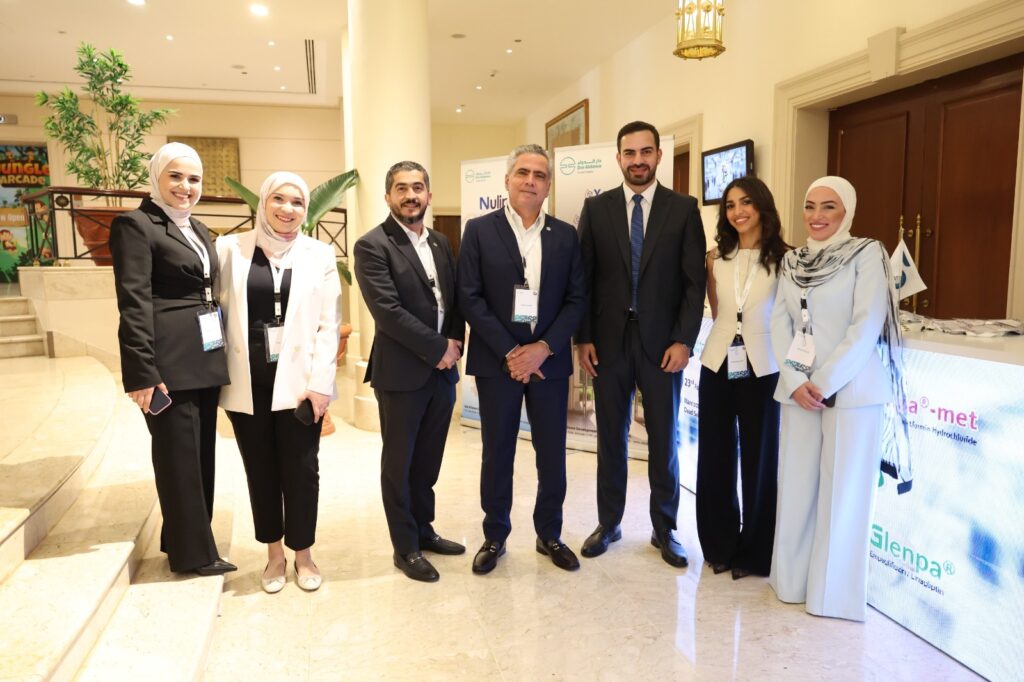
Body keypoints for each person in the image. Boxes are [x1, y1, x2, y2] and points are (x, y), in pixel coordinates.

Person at [769, 175, 911, 621]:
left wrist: (824, 381)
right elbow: (779, 322)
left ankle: (831, 597)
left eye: (828, 206)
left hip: (850, 390)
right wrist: (796, 380)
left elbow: (866, 324)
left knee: (842, 494)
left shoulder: (867, 254)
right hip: (798, 391)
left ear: (847, 210)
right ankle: (790, 584)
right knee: (795, 488)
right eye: (810, 206)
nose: (817, 216)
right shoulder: (791, 261)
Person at [576, 121, 706, 568]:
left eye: (645, 152)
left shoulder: (683, 209)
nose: (638, 161)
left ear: (658, 156)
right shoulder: (596, 210)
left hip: (663, 345)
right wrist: (583, 338)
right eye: (629, 153)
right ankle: (609, 522)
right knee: (610, 437)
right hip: (607, 344)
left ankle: (664, 528)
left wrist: (684, 340)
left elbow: (694, 283)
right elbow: (584, 280)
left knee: (664, 439)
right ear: (618, 158)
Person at [458, 144, 586, 574]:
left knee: (552, 453)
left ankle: (549, 533)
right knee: (497, 452)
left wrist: (542, 349)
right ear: (507, 180)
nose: (531, 181)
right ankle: (495, 536)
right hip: (498, 363)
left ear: (549, 186)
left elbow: (576, 300)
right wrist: (512, 352)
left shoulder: (565, 236)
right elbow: (469, 297)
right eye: (523, 173)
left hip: (549, 364)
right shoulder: (479, 230)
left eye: (540, 175)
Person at [110, 142, 234, 576]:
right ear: (157, 177)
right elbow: (133, 302)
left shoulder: (197, 228)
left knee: (200, 456)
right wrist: (142, 372)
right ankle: (192, 554)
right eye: (176, 176)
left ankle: (183, 538)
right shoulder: (136, 225)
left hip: (203, 357)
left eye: (194, 179)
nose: (186, 186)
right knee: (178, 458)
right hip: (167, 363)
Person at [217, 172, 341, 593]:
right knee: (261, 471)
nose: (288, 209)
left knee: (303, 471)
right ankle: (273, 556)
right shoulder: (230, 248)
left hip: (300, 385)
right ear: (263, 202)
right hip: (247, 383)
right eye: (278, 199)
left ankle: (303, 554)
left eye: (297, 202)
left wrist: (321, 384)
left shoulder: (319, 254)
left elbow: (329, 324)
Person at [353, 161, 466, 583]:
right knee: (399, 464)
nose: (410, 195)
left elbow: (454, 301)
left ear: (429, 195)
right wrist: (438, 348)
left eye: (417, 187)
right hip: (401, 374)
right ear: (388, 196)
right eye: (401, 188)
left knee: (429, 459)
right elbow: (387, 311)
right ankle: (405, 547)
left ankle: (424, 529)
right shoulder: (372, 245)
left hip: (443, 373)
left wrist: (454, 344)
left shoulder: (440, 242)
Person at [697, 176, 788, 580]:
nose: (738, 212)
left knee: (759, 459)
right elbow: (718, 311)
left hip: (763, 366)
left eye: (746, 202)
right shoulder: (715, 257)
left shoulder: (786, 259)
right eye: (731, 205)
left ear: (762, 206)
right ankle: (719, 546)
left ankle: (755, 553)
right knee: (714, 458)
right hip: (718, 361)